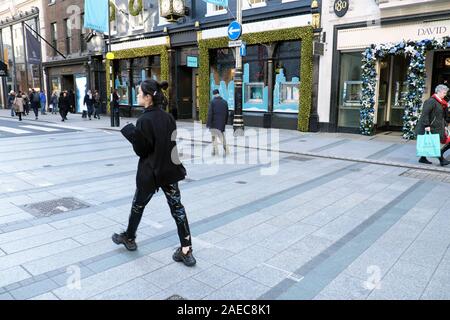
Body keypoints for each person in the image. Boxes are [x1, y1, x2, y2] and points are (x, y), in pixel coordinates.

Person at [112, 79, 196, 267]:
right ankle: (186, 249)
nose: (138, 95)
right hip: (169, 171)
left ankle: (130, 237)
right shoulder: (168, 118)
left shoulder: (143, 120)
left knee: (138, 205)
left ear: (148, 97)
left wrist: (131, 134)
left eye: (140, 93)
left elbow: (142, 150)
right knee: (178, 209)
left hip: (150, 173)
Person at [416, 84, 450, 166]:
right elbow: (425, 114)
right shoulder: (431, 101)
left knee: (432, 142)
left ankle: (422, 158)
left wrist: (445, 124)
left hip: (437, 126)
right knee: (434, 143)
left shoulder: (442, 102)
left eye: (446, 93)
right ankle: (441, 160)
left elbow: (442, 116)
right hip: (431, 126)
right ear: (438, 92)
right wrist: (426, 125)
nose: (445, 94)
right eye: (444, 93)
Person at [207, 89, 230, 157]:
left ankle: (215, 151)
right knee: (222, 138)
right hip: (221, 124)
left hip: (214, 124)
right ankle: (226, 150)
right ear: (218, 94)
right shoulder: (224, 102)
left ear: (214, 94)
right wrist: (225, 123)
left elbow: (210, 114)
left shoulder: (212, 102)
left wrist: (208, 124)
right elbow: (227, 113)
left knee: (214, 138)